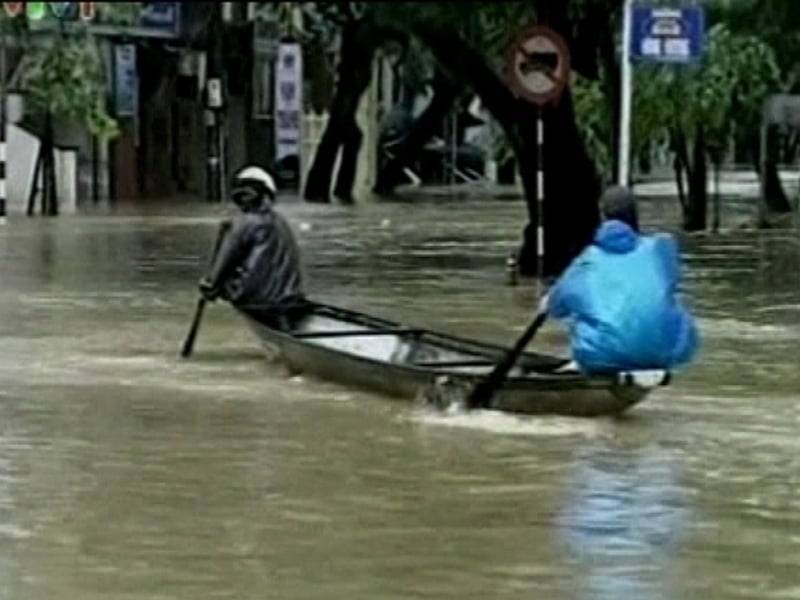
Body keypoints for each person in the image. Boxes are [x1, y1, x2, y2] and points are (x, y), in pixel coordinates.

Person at [541, 185, 699, 373]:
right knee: (673, 302)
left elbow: (557, 308)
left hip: (603, 357)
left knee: (578, 313)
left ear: (602, 216)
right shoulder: (662, 248)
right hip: (666, 353)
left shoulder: (587, 262)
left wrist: (547, 301)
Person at [198, 165, 308, 330]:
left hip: (257, 299)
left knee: (219, 281)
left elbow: (225, 261)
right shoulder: (280, 221)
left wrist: (209, 285)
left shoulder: (244, 223)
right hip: (291, 297)